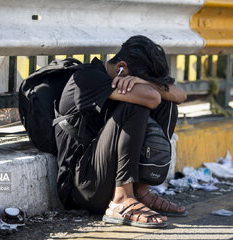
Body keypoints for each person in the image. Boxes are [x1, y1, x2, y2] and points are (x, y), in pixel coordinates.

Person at [55, 35, 187, 228]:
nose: (137, 82)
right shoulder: (87, 78)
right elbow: (151, 98)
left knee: (169, 105)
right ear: (121, 67)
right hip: (82, 186)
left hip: (104, 177)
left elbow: (180, 94)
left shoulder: (119, 78)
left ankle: (140, 192)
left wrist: (144, 81)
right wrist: (147, 86)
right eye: (136, 77)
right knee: (137, 105)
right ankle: (122, 199)